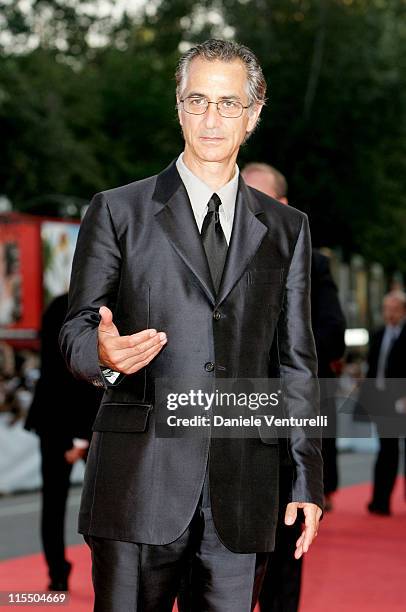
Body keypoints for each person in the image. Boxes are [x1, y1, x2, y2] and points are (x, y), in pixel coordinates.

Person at [59, 39, 323, 612]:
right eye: (197, 100)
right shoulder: (117, 210)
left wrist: (306, 479)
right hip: (136, 485)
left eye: (229, 104)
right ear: (178, 107)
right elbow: (77, 326)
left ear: (253, 115)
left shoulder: (286, 228)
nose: (211, 118)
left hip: (245, 489)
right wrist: (103, 353)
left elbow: (296, 361)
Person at [242, 162, 346, 612]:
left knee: (283, 557)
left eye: (257, 199)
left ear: (283, 206)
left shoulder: (310, 261)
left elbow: (330, 335)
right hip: (220, 422)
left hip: (282, 428)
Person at [25, 293, 102, 591]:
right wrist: (81, 438)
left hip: (55, 420)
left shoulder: (57, 305)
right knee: (107, 504)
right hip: (80, 420)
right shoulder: (90, 308)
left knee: (53, 504)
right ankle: (107, 572)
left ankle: (57, 574)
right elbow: (81, 374)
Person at [362, 290, 406, 515]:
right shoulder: (378, 334)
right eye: (387, 309)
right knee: (386, 451)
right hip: (383, 401)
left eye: (394, 309)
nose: (390, 314)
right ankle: (380, 501)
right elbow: (371, 369)